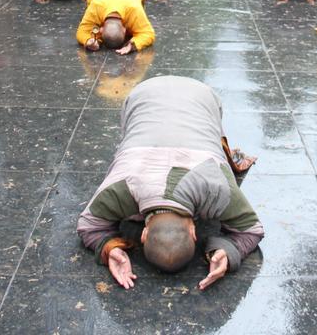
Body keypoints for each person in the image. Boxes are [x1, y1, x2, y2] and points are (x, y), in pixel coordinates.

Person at [77, 75, 262, 290]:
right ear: (194, 231)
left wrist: (109, 247)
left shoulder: (217, 188)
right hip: (162, 95)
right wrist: (108, 247)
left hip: (182, 96)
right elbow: (88, 226)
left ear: (144, 234)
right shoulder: (120, 189)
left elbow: (252, 230)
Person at [76, 0, 155, 55]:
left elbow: (148, 34)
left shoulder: (135, 8)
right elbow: (147, 34)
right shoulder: (95, 4)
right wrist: (89, 40)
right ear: (125, 30)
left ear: (100, 30)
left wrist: (133, 45)